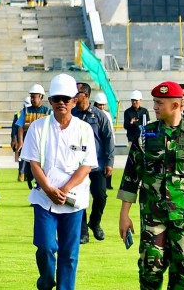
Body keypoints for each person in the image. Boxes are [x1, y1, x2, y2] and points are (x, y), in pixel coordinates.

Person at [118, 80, 184, 290]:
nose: (154, 106)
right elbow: (131, 175)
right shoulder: (146, 135)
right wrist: (124, 214)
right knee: (150, 270)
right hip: (152, 216)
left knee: (182, 272)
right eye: (155, 102)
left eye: (159, 103)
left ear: (175, 105)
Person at [20, 74, 97, 290]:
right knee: (45, 246)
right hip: (44, 199)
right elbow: (33, 164)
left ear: (74, 100)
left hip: (73, 200)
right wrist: (49, 189)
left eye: (66, 98)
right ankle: (46, 281)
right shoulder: (37, 128)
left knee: (69, 254)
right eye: (56, 99)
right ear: (50, 101)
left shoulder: (84, 129)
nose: (61, 103)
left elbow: (86, 165)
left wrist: (64, 189)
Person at [72, 82, 114, 245]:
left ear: (86, 95)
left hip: (96, 164)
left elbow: (109, 139)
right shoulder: (72, 114)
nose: (74, 96)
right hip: (77, 165)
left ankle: (95, 222)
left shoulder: (99, 115)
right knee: (78, 198)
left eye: (78, 93)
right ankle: (83, 232)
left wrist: (109, 162)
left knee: (100, 196)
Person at [16, 84, 51, 188]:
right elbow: (20, 127)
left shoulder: (47, 111)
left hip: (42, 146)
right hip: (29, 145)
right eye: (31, 97)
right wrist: (21, 142)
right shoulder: (26, 111)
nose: (31, 99)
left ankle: (39, 188)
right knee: (29, 171)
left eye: (34, 97)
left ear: (40, 97)